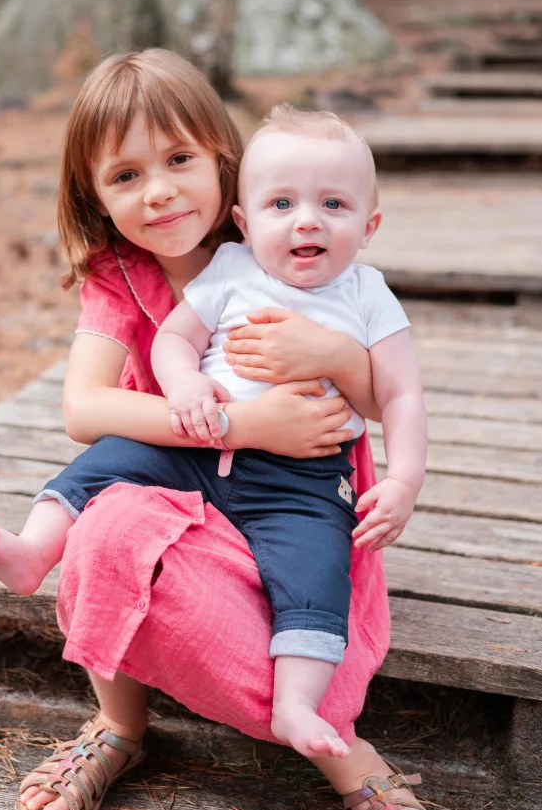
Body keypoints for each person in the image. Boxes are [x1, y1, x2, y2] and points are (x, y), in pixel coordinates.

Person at [0, 49, 446, 810]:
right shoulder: (119, 278)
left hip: (297, 494)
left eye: (179, 160)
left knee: (303, 602)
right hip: (181, 479)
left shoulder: (287, 244)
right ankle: (117, 725)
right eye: (124, 177)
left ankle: (352, 764)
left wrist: (329, 358)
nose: (158, 192)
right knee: (105, 530)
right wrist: (242, 424)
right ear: (95, 196)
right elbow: (85, 409)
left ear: (226, 163)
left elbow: (385, 395)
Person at [150, 106, 427, 760]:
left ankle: (295, 703)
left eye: (332, 203)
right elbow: (172, 339)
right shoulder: (230, 269)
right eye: (281, 202)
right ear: (245, 222)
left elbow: (401, 394)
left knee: (318, 573)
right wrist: (185, 384)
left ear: (368, 227)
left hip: (303, 477)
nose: (307, 219)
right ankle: (36, 540)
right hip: (201, 450)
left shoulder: (365, 294)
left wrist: (404, 480)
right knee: (110, 460)